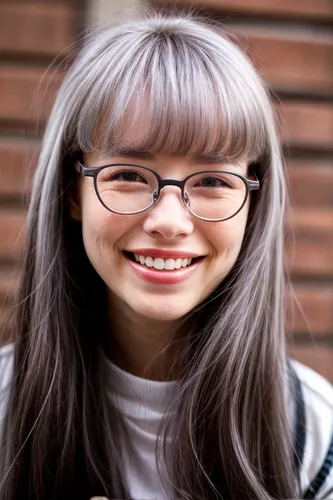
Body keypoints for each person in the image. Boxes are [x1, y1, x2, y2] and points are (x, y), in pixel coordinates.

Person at [0, 10, 332, 500]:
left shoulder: (313, 432)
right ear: (74, 193)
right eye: (129, 175)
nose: (170, 222)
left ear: (252, 205)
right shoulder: (6, 412)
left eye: (214, 181)